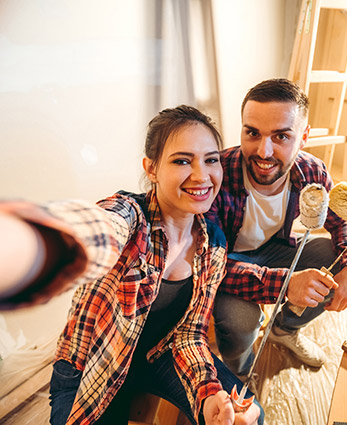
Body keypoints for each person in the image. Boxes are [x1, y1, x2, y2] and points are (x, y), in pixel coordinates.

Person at [0, 105, 263, 425]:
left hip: (162, 355)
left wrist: (208, 397)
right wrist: (32, 243)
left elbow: (189, 335)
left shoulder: (213, 242)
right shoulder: (130, 216)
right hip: (93, 364)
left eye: (211, 160)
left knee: (249, 418)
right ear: (151, 169)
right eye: (182, 160)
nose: (201, 175)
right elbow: (96, 230)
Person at [205, 79, 347, 376]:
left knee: (336, 262)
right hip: (229, 261)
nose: (264, 152)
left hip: (274, 250)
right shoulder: (216, 173)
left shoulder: (312, 171)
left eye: (281, 136)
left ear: (304, 136)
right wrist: (286, 284)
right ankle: (240, 371)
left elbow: (341, 219)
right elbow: (209, 264)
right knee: (237, 324)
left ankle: (285, 330)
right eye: (252, 133)